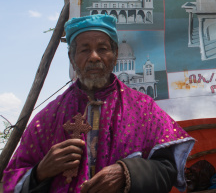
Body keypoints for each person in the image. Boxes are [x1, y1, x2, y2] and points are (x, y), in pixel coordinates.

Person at [3, 14, 195, 193]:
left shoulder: (143, 108)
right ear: (71, 57)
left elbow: (168, 169)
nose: (94, 57)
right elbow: (9, 179)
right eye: (85, 49)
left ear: (115, 54)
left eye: (102, 49)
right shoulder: (47, 118)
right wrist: (40, 172)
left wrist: (127, 172)